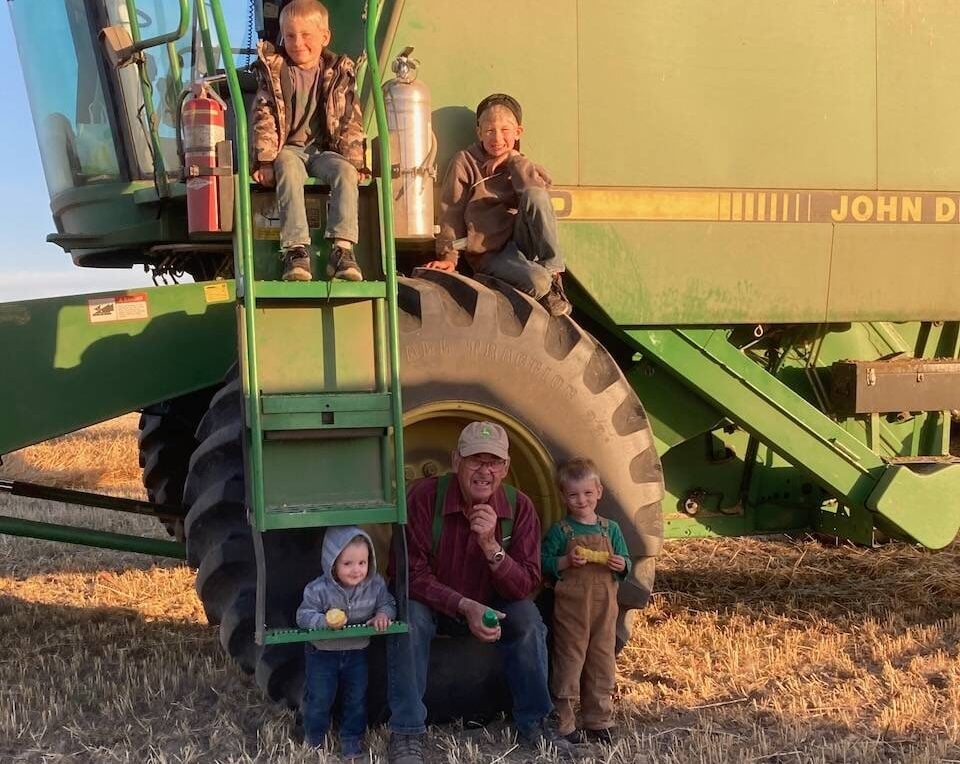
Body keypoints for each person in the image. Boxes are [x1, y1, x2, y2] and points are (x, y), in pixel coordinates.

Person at [385, 421, 576, 764]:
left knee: (528, 619)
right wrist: (463, 605)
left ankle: (535, 722)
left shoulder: (520, 509)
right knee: (409, 618)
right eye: (476, 460)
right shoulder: (424, 498)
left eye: (493, 462)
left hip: (490, 602)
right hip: (433, 603)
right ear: (456, 460)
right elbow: (407, 575)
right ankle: (406, 733)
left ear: (505, 467)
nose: (484, 471)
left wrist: (491, 546)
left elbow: (525, 585)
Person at [425, 93, 572, 317]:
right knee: (539, 282)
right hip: (491, 254)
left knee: (536, 196)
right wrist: (448, 258)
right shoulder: (465, 162)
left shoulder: (520, 162)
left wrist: (513, 159)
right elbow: (451, 212)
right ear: (479, 133)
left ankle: (554, 272)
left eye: (505, 131)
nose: (497, 138)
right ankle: (544, 284)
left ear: (518, 132)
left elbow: (537, 193)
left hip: (522, 242)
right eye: (490, 131)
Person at [251, 0, 366, 283]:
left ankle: (341, 250)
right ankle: (296, 250)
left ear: (325, 37)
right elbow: (264, 115)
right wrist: (265, 160)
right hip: (289, 149)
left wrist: (357, 162)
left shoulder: (339, 72)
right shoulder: (275, 72)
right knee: (287, 168)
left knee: (345, 172)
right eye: (289, 36)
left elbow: (351, 119)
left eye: (306, 35)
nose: (297, 43)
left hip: (324, 151)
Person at [541, 458, 631, 744]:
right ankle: (564, 722)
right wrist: (566, 561)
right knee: (569, 659)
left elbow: (626, 560)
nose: (581, 500)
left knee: (601, 660)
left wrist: (621, 564)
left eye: (587, 493)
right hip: (572, 609)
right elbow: (543, 562)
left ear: (599, 492)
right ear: (563, 497)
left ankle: (598, 719)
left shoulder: (611, 529)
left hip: (605, 609)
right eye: (573, 495)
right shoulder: (561, 531)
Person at [296, 526, 397, 760]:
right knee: (320, 698)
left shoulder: (375, 585)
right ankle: (315, 740)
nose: (356, 570)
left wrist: (384, 615)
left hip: (357, 653)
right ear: (332, 563)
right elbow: (303, 616)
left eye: (362, 563)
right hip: (322, 654)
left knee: (356, 699)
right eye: (348, 564)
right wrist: (324, 621)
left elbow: (388, 604)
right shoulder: (317, 589)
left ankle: (352, 741)